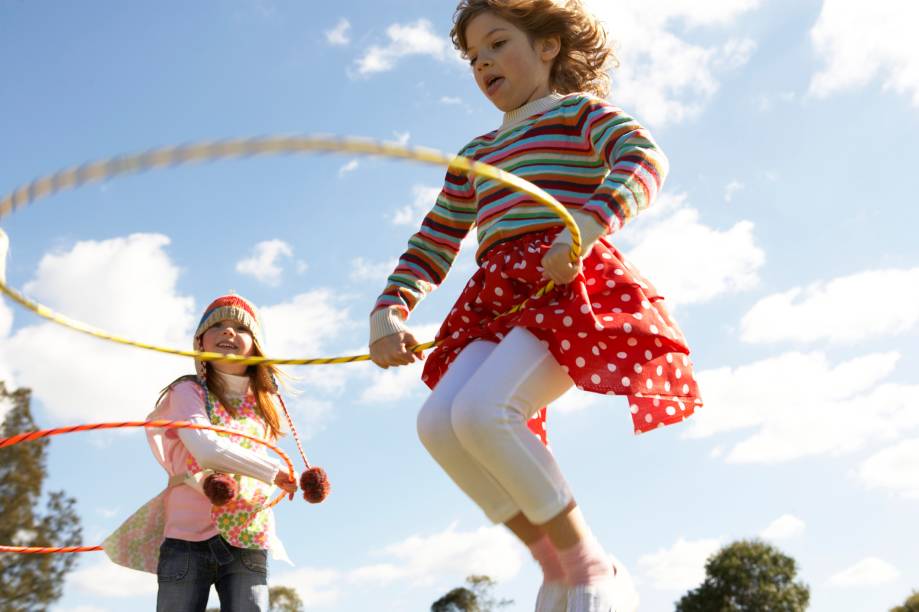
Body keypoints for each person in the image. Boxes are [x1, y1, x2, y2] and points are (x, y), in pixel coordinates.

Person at [368, 1, 702, 610]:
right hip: (496, 300)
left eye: (497, 44)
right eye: (474, 57)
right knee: (439, 424)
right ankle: (553, 563)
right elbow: (435, 239)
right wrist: (390, 309)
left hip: (562, 290)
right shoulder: (475, 154)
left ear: (548, 47)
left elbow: (645, 159)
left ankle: (589, 563)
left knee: (482, 413)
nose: (484, 62)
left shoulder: (579, 114)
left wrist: (584, 225)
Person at [104, 294, 298, 612]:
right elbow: (204, 448)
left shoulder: (266, 404)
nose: (228, 332)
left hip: (248, 535)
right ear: (200, 341)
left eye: (240, 327)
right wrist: (273, 471)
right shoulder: (188, 392)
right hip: (187, 538)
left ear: (256, 344)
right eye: (217, 325)